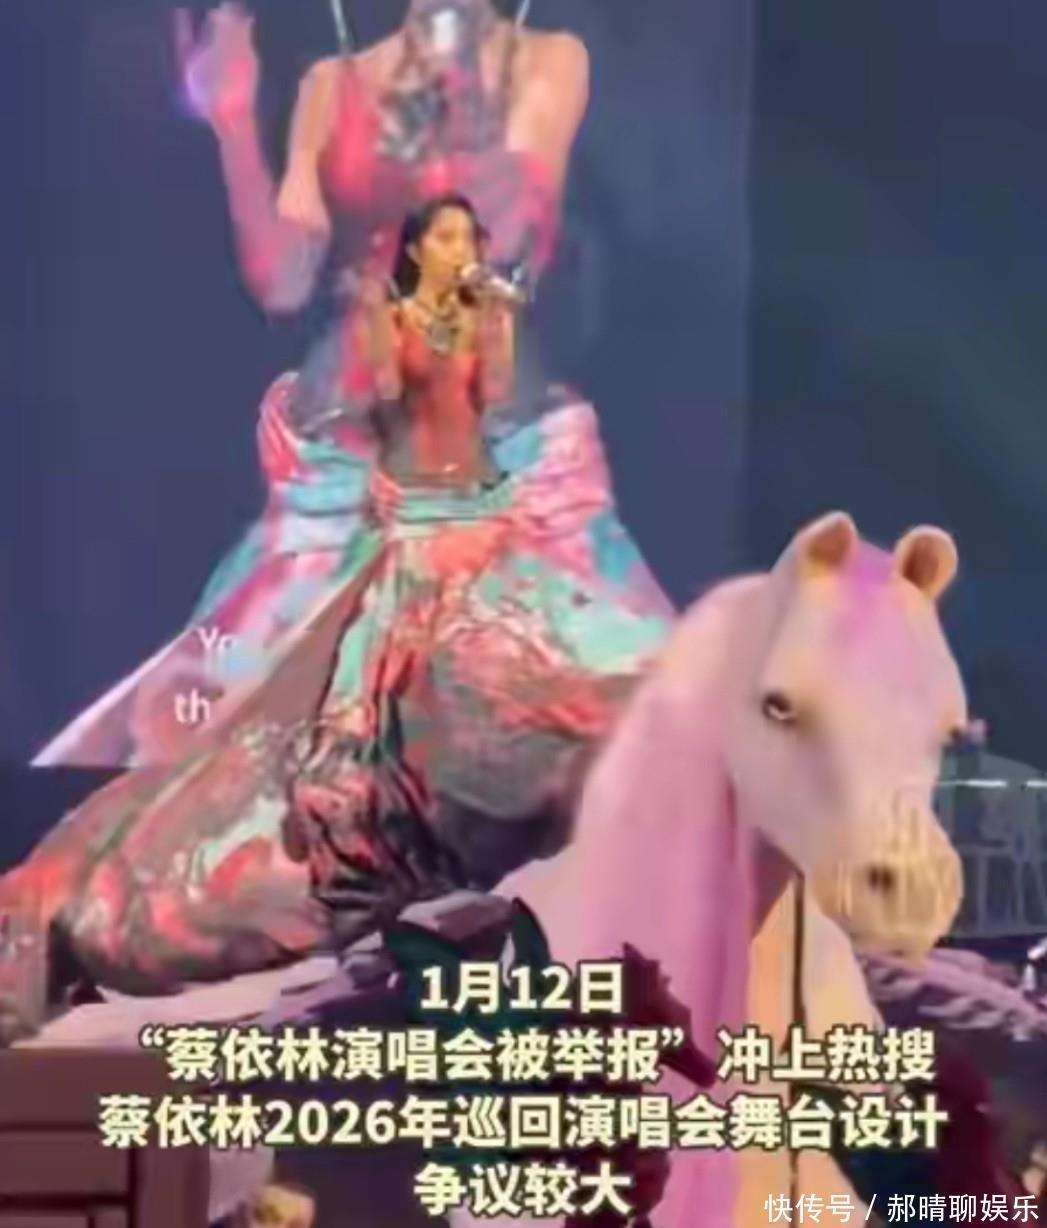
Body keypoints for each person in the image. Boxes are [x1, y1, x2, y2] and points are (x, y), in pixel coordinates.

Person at [0, 195, 672, 1044]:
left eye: (469, 237)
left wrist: (491, 325)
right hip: (413, 529)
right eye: (448, 237)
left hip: (484, 517)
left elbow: (502, 399)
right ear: (420, 249)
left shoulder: (487, 319)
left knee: (562, 694)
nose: (461, 248)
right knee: (351, 752)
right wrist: (386, 335)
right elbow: (366, 403)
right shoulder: (388, 322)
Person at [35, 0, 600, 768]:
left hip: (484, 456)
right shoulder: (331, 83)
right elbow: (283, 281)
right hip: (342, 463)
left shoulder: (547, 59)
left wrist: (462, 104)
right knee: (217, 733)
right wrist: (232, 123)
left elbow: (512, 232)